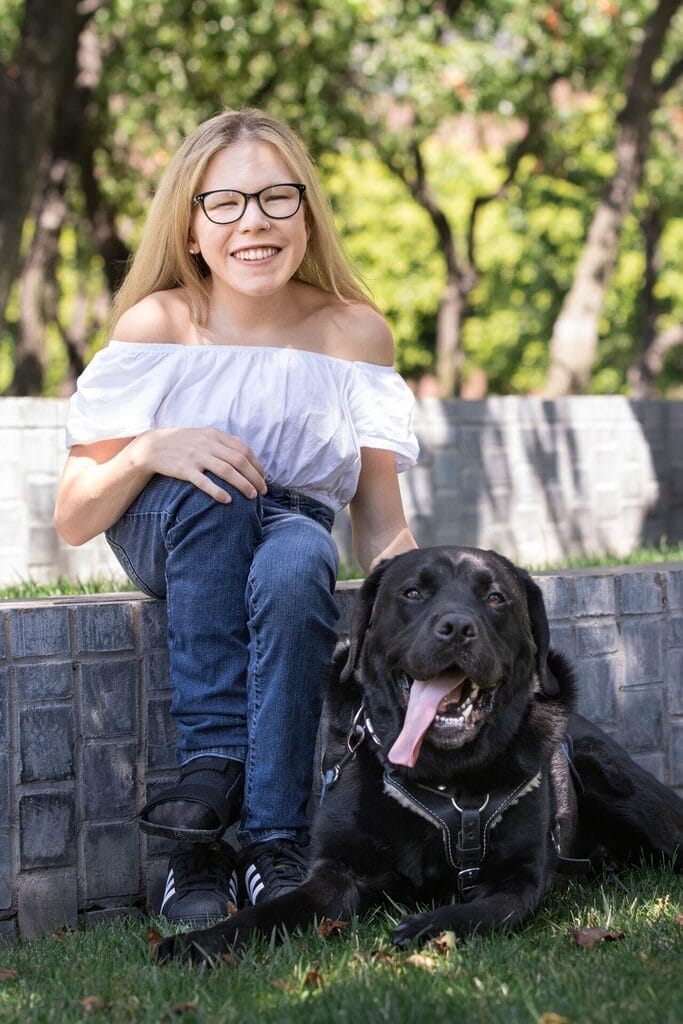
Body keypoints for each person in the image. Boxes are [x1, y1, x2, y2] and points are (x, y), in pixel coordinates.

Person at [54, 108, 419, 926]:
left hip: (288, 523)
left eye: (274, 199)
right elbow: (74, 517)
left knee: (298, 565)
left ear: (306, 212)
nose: (253, 222)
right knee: (218, 488)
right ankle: (202, 820)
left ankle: (275, 847)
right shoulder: (157, 324)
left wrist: (438, 612)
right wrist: (153, 448)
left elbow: (379, 525)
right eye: (225, 203)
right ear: (189, 227)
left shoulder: (355, 333)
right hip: (169, 522)